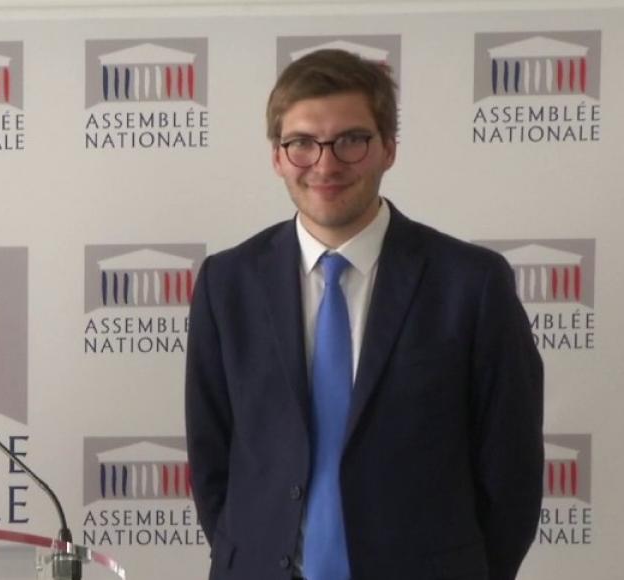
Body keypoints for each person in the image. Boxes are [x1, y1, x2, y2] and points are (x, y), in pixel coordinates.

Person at [184, 49, 543, 580]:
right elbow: (213, 461)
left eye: (351, 140)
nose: (326, 164)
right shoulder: (226, 283)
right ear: (278, 157)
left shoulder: (472, 284)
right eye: (302, 143)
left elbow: (510, 473)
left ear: (388, 150)